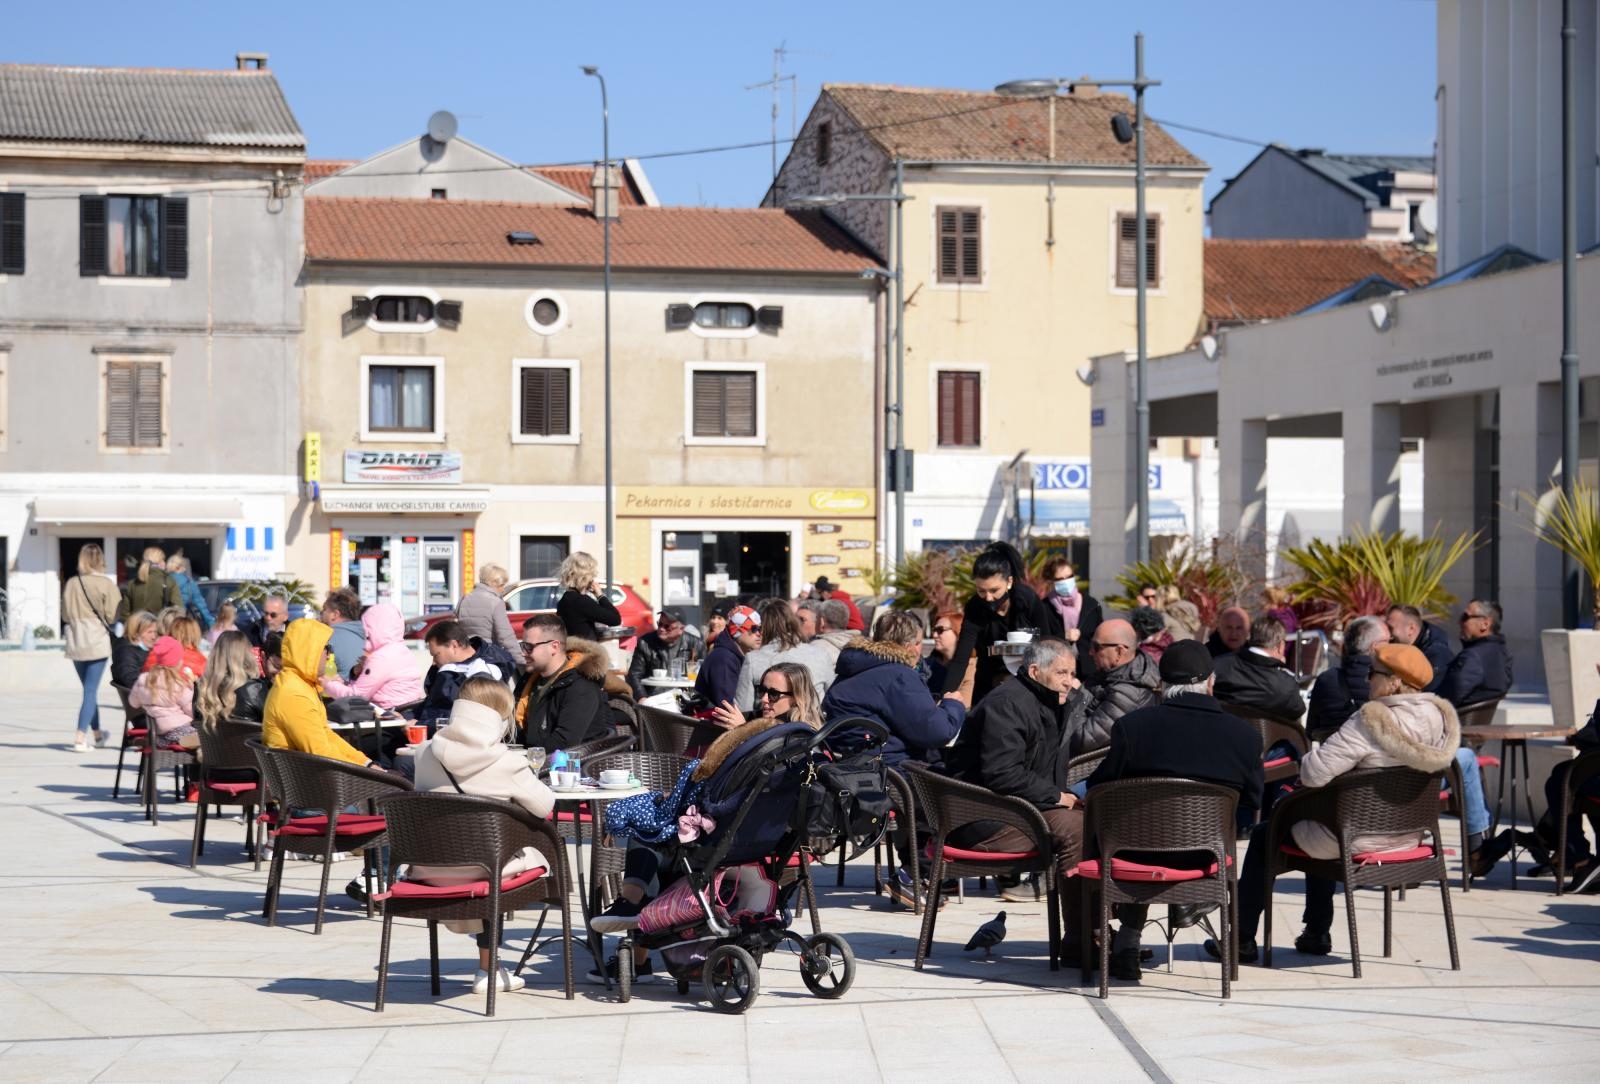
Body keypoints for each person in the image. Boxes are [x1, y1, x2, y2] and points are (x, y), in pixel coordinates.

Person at [1206, 643, 1461, 965]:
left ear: (1395, 682)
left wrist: (1311, 757)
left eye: (1373, 674)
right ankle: (1315, 932)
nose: (1367, 680)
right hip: (1409, 836)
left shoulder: (1370, 720)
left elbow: (1314, 773)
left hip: (1357, 838)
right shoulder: (1441, 721)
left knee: (1265, 834)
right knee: (1321, 816)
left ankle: (1241, 938)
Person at [1085, 641, 1263, 981]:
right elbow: (1252, 802)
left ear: (1162, 684)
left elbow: (1099, 789)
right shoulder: (1244, 736)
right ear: (1211, 682)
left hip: (1134, 853)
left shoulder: (1133, 727)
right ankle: (1190, 902)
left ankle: (1126, 940)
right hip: (1204, 855)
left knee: (1131, 830)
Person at [410, 675, 557, 995]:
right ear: (499, 716)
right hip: (486, 871)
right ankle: (488, 969)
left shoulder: (423, 753)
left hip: (429, 871)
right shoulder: (507, 761)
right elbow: (546, 805)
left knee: (489, 849)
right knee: (530, 852)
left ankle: (488, 966)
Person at [943, 636, 1091, 925]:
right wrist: (1058, 797)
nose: (1069, 682)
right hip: (984, 819)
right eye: (1061, 673)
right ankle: (1083, 939)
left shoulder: (1050, 703)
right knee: (1080, 830)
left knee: (1100, 821)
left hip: (1019, 809)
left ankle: (1109, 934)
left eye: (1072, 674)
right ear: (1035, 672)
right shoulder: (1008, 703)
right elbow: (1003, 773)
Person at [821, 610, 966, 769]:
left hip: (852, 765)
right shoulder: (898, 676)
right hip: (891, 774)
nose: (918, 651)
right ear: (908, 647)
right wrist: (953, 705)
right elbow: (937, 732)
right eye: (917, 643)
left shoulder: (854, 668)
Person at [942, 541, 1057, 702]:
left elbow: (1048, 644)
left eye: (994, 590)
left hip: (1030, 684)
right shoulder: (975, 607)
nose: (988, 598)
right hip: (988, 684)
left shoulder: (1027, 600)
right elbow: (961, 657)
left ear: (1009, 582)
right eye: (981, 591)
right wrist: (944, 696)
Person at [262, 618, 369, 768]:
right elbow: (320, 752)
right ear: (310, 651)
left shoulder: (299, 684)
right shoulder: (294, 694)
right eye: (326, 648)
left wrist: (365, 762)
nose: (329, 655)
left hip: (314, 778)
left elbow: (326, 736)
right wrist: (366, 769)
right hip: (311, 783)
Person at [514, 614, 613, 750]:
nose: (523, 653)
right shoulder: (530, 679)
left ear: (554, 646)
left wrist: (524, 757)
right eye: (522, 646)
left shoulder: (580, 686)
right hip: (534, 758)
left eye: (529, 647)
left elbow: (564, 743)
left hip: (573, 766)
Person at [1068, 619, 1161, 757]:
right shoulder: (1112, 673)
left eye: (1096, 646)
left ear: (1119, 652)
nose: (1090, 652)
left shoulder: (1129, 692)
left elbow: (1082, 740)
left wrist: (1075, 696)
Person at [63, 542, 120, 752]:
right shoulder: (106, 584)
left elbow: (65, 615)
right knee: (90, 690)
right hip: (96, 639)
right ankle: (80, 738)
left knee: (89, 691)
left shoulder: (71, 583)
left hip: (76, 640)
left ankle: (97, 735)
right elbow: (114, 615)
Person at [734, 599, 834, 712]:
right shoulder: (821, 654)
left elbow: (743, 708)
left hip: (771, 726)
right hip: (813, 725)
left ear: (764, 628)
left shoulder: (753, 659)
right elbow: (832, 697)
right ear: (794, 622)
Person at [323, 603, 427, 710]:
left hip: (389, 717)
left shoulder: (381, 657)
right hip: (405, 712)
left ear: (374, 628)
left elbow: (357, 698)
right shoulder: (402, 650)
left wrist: (329, 684)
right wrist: (345, 682)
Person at [1211, 614, 1306, 725]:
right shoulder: (1286, 685)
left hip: (1220, 734)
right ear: (1280, 646)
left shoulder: (1219, 666)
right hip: (1266, 740)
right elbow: (1297, 711)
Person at [1306, 615, 1390, 739]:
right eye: (1388, 641)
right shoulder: (1389, 681)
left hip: (1333, 754)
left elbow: (1312, 730)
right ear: (1374, 647)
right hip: (1374, 755)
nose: (1392, 647)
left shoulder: (1326, 679)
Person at [413, 618, 502, 731]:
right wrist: (407, 716)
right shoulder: (450, 669)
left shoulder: (481, 674)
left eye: (436, 655)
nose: (434, 662)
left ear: (454, 646)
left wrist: (420, 725)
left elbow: (466, 720)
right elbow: (432, 705)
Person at [1437, 600, 1514, 707]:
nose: (1460, 622)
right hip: (1473, 719)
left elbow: (1445, 699)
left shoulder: (1473, 657)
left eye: (1465, 617)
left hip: (1455, 720)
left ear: (1485, 624)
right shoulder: (1503, 653)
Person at [130, 636, 200, 750]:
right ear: (176, 662)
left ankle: (166, 741)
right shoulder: (178, 684)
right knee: (208, 738)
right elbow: (192, 710)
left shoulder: (143, 679)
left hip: (155, 730)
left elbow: (133, 703)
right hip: (178, 728)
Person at [709, 661, 824, 730]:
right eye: (762, 690)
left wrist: (741, 731)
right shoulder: (758, 719)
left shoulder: (798, 731)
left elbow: (769, 762)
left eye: (774, 694)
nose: (764, 699)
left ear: (796, 698)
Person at [626, 609, 704, 699]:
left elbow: (705, 676)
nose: (661, 629)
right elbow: (634, 674)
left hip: (686, 696)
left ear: (681, 629)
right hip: (654, 697)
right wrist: (642, 698)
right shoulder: (645, 642)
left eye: (667, 626)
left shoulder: (696, 644)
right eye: (659, 624)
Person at [196, 631, 270, 724]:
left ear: (216, 654)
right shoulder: (254, 689)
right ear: (247, 655)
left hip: (213, 738)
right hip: (250, 738)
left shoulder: (202, 688)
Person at [695, 605, 760, 707]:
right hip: (711, 721)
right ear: (737, 631)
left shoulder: (738, 655)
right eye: (754, 629)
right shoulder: (724, 659)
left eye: (760, 628)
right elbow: (726, 706)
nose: (759, 633)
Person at [457, 563, 522, 661]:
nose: (503, 589)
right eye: (502, 585)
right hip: (488, 655)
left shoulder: (464, 599)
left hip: (466, 655)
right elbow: (506, 637)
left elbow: (456, 628)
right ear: (494, 583)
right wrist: (520, 660)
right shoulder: (496, 603)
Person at [554, 552, 620, 642]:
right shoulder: (582, 601)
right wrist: (600, 596)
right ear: (586, 577)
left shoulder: (564, 600)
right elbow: (615, 619)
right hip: (585, 652)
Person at [1385, 604, 1453, 692]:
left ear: (1411, 629)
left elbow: (1426, 694)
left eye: (1390, 628)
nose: (1387, 634)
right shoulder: (1396, 647)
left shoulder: (1436, 655)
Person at [1040, 556, 1103, 648]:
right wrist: (1064, 636)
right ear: (1051, 581)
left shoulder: (1091, 605)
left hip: (1087, 661)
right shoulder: (1044, 607)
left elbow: (1100, 636)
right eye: (1060, 579)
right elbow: (1041, 640)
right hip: (1057, 659)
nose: (1066, 582)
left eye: (1069, 577)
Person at [116, 546, 181, 622]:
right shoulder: (169, 581)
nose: (165, 562)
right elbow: (177, 609)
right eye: (163, 559)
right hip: (159, 629)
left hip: (137, 629)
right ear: (160, 562)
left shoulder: (132, 584)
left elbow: (125, 614)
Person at [924, 611, 975, 706]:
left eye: (940, 630)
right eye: (934, 630)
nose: (934, 635)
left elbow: (964, 705)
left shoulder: (972, 668)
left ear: (959, 632)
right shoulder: (927, 665)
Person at [320, 588, 366, 680]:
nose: (321, 613)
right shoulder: (367, 636)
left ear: (335, 614)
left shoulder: (327, 637)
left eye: (324, 609)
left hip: (337, 692)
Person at [113, 611, 159, 689]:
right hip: (141, 695)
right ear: (136, 633)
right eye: (149, 632)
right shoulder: (126, 651)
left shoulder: (148, 649)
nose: (154, 637)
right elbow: (130, 679)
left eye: (155, 632)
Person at [166, 554, 213, 631]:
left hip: (165, 620)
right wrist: (211, 622)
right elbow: (200, 604)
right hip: (182, 620)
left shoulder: (164, 580)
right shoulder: (188, 582)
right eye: (184, 566)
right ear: (179, 567)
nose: (185, 569)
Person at [810, 599, 856, 666]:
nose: (815, 621)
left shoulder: (815, 648)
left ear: (821, 622)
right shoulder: (859, 645)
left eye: (817, 618)